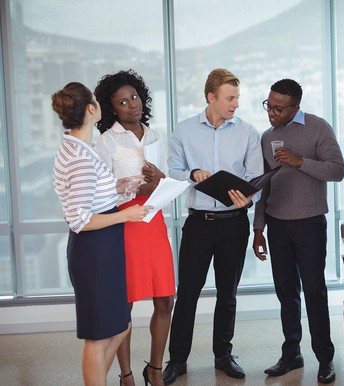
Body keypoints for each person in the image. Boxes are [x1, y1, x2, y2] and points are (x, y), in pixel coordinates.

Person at [162, 68, 263, 384]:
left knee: (227, 294)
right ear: (211, 97)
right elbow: (173, 171)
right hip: (199, 224)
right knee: (188, 293)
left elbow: (254, 178)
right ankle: (177, 360)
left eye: (237, 98)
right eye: (230, 98)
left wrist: (248, 197)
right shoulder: (184, 130)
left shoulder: (248, 132)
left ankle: (223, 355)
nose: (235, 104)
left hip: (235, 224)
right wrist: (193, 174)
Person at [52, 82, 151, 385]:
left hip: (102, 247)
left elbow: (89, 196)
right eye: (96, 101)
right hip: (93, 249)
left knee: (119, 326)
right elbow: (79, 219)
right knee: (98, 337)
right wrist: (127, 213)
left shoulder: (78, 148)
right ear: (91, 110)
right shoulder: (81, 157)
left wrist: (121, 187)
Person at [252, 79, 344, 384]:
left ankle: (325, 358)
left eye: (279, 108)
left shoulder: (318, 128)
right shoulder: (266, 138)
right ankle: (291, 353)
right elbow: (263, 186)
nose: (272, 113)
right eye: (269, 106)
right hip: (277, 225)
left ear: (295, 107)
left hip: (309, 223)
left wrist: (300, 161)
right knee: (286, 293)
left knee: (315, 292)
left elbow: (336, 170)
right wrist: (258, 227)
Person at [94, 70, 175, 386]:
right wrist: (133, 189)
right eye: (122, 102)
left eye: (135, 97)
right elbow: (100, 190)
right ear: (112, 108)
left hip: (154, 221)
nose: (131, 105)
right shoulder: (106, 141)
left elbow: (165, 181)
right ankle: (126, 375)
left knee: (166, 299)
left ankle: (155, 369)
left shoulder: (155, 135)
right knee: (122, 305)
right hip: (125, 225)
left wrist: (159, 181)